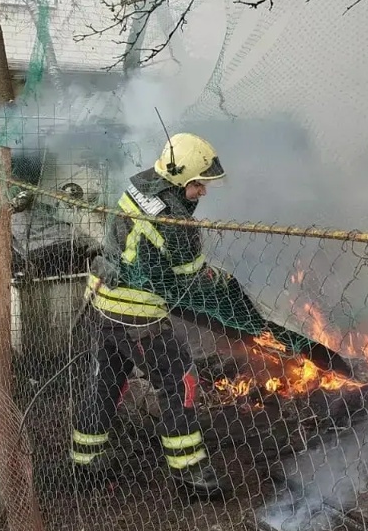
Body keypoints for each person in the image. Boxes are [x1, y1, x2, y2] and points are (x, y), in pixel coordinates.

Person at [71, 131, 293, 500]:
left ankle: (85, 461)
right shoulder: (178, 224)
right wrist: (224, 284)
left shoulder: (138, 187)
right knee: (180, 383)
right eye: (197, 184)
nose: (203, 191)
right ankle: (191, 475)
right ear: (179, 179)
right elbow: (191, 283)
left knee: (106, 383)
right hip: (139, 318)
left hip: (102, 303)